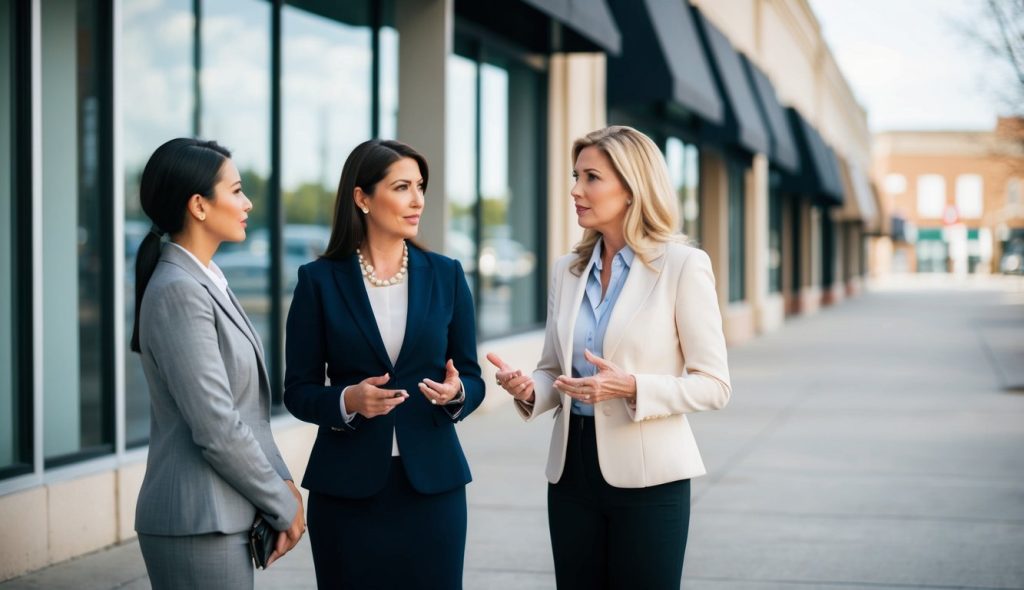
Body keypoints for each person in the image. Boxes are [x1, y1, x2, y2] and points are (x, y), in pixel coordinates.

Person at [487, 126, 732, 589]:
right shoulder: (568, 269)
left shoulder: (682, 265)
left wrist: (632, 386)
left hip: (651, 478)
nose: (576, 190)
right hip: (570, 472)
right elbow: (552, 370)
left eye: (591, 177)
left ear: (631, 187)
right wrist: (529, 389)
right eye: (575, 176)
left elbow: (714, 385)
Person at [283, 138, 485, 589]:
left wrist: (458, 394)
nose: (418, 200)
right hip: (347, 490)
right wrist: (347, 400)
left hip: (433, 487)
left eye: (420, 186)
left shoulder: (447, 275)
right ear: (362, 198)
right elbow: (298, 389)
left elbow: (471, 375)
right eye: (402, 187)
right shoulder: (318, 281)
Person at [132, 138, 305, 590]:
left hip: (220, 517)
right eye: (236, 190)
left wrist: (283, 482)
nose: (247, 203)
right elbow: (215, 424)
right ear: (199, 206)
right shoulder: (179, 289)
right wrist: (282, 504)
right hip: (195, 520)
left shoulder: (208, 281)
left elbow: (249, 411)